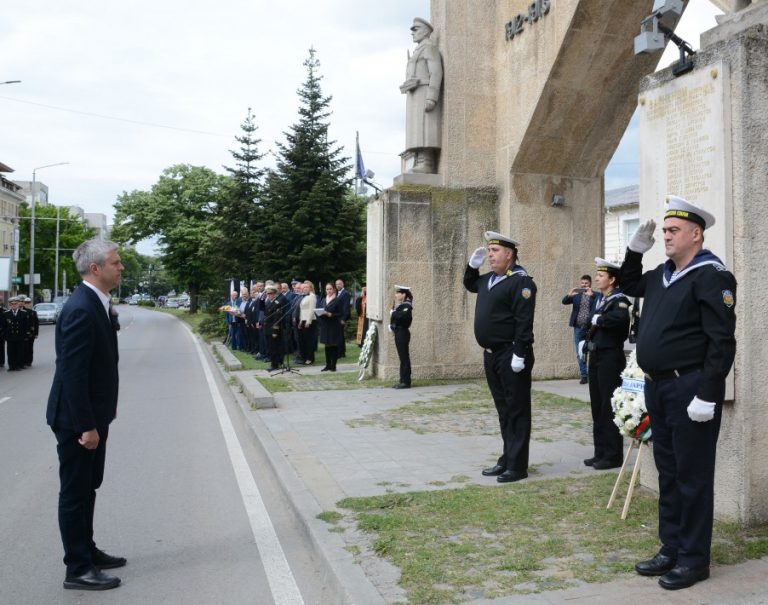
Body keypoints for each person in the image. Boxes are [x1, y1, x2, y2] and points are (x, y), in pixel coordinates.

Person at [619, 196, 736, 591]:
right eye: (664, 231)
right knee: (668, 472)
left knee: (692, 474)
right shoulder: (662, 274)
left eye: (673, 231)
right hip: (658, 387)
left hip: (689, 387)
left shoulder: (711, 275)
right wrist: (634, 252)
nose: (665, 236)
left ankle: (693, 558)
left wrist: (708, 392)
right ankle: (671, 546)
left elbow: (721, 341)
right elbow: (630, 284)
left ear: (696, 234)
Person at [46, 239, 126, 591]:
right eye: (115, 262)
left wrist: (106, 408)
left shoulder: (97, 302)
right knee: (75, 492)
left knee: (89, 487)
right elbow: (73, 374)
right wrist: (86, 426)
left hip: (93, 415)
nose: (121, 267)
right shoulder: (81, 308)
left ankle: (87, 550)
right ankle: (77, 568)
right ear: (96, 268)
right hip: (77, 422)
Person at [464, 231, 536, 483]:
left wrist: (519, 353)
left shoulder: (521, 282)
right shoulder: (489, 280)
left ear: (510, 254)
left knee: (517, 409)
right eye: (489, 251)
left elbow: (524, 322)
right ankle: (507, 458)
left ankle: (517, 466)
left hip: (511, 354)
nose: (490, 255)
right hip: (492, 354)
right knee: (503, 410)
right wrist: (472, 266)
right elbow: (470, 284)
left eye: (495, 251)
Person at [580, 258, 631, 470]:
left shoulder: (620, 300)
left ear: (612, 280)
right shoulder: (601, 300)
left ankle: (612, 455)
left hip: (610, 357)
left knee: (608, 406)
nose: (597, 279)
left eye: (601, 276)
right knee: (597, 405)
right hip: (597, 356)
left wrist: (599, 320)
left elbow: (620, 321)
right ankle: (599, 451)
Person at [400, 17, 443, 174]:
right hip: (414, 93)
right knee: (416, 128)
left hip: (424, 91)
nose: (412, 33)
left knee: (425, 127)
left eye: (416, 29)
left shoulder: (429, 48)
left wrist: (432, 96)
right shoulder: (417, 51)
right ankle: (419, 159)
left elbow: (436, 72)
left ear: (425, 32)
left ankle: (427, 161)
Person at [562, 275, 596, 384]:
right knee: (579, 352)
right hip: (578, 327)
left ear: (590, 284)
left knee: (592, 350)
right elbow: (564, 301)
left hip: (592, 328)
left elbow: (600, 302)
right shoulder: (576, 295)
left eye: (586, 283)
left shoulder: (595, 295)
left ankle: (593, 374)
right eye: (582, 283)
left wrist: (593, 295)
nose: (584, 285)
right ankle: (584, 375)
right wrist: (569, 294)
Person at [389, 285, 414, 389]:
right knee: (402, 357)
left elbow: (403, 317)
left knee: (404, 357)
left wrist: (394, 313)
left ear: (403, 294)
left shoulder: (407, 306)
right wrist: (392, 327)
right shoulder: (401, 306)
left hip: (403, 333)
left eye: (398, 293)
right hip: (399, 332)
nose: (396, 295)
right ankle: (402, 380)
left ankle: (406, 382)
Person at [318, 282, 343, 372]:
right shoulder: (324, 300)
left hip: (333, 325)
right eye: (327, 289)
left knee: (333, 344)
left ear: (334, 289)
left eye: (330, 289)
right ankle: (327, 365)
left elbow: (340, 313)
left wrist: (331, 314)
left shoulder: (337, 300)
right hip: (325, 325)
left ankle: (333, 366)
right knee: (327, 344)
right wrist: (320, 313)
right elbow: (320, 309)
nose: (328, 291)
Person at [263, 284, 287, 371]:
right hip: (267, 328)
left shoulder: (277, 303)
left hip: (273, 329)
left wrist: (274, 331)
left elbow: (277, 319)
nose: (269, 296)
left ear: (274, 294)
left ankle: (275, 364)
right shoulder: (268, 302)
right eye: (268, 294)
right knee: (271, 347)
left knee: (275, 347)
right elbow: (263, 311)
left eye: (270, 294)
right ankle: (274, 363)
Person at [4, 296, 30, 371]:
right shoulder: (6, 314)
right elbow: (4, 326)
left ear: (18, 304)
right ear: (10, 305)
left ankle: (18, 365)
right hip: (10, 336)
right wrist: (5, 335)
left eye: (15, 304)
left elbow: (26, 325)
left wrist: (26, 335)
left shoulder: (23, 313)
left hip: (20, 336)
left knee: (19, 351)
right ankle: (11, 366)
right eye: (12, 304)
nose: (14, 305)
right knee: (10, 352)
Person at [297, 281, 317, 365]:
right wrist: (301, 321)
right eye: (304, 287)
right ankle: (304, 357)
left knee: (309, 341)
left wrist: (308, 321)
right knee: (303, 340)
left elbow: (311, 310)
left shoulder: (312, 296)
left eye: (306, 287)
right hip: (303, 319)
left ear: (310, 288)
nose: (305, 289)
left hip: (310, 320)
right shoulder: (304, 296)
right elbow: (302, 310)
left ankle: (310, 358)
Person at [335, 279, 351, 359]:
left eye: (339, 284)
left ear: (343, 284)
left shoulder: (346, 294)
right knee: (339, 335)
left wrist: (344, 319)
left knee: (340, 336)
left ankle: (340, 353)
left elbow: (346, 307)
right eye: (336, 284)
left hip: (341, 318)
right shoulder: (338, 293)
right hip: (337, 317)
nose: (338, 285)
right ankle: (341, 352)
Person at [23, 296, 39, 367]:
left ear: (31, 303)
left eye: (29, 303)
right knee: (24, 348)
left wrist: (36, 333)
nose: (27, 304)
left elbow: (36, 324)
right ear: (24, 303)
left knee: (30, 348)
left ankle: (29, 361)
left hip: (31, 333)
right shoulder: (22, 312)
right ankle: (24, 361)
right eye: (26, 303)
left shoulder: (33, 312)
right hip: (23, 333)